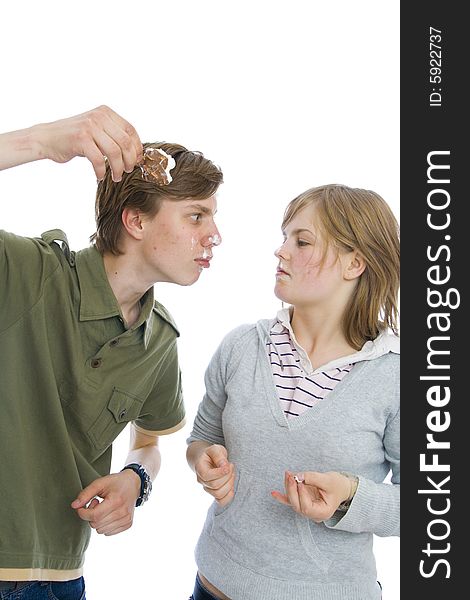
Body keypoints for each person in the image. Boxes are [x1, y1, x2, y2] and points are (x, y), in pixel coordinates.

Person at [0, 105, 223, 599]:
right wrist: (40, 140)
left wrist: (135, 478)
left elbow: (150, 442)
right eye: (195, 215)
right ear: (135, 221)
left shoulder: (159, 339)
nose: (214, 235)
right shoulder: (27, 275)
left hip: (62, 582)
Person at [186, 184, 399, 600]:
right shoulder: (241, 346)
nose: (281, 252)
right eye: (285, 238)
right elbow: (202, 438)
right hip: (213, 587)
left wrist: (351, 497)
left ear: (354, 263)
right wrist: (203, 460)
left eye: (301, 241)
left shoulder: (394, 376)